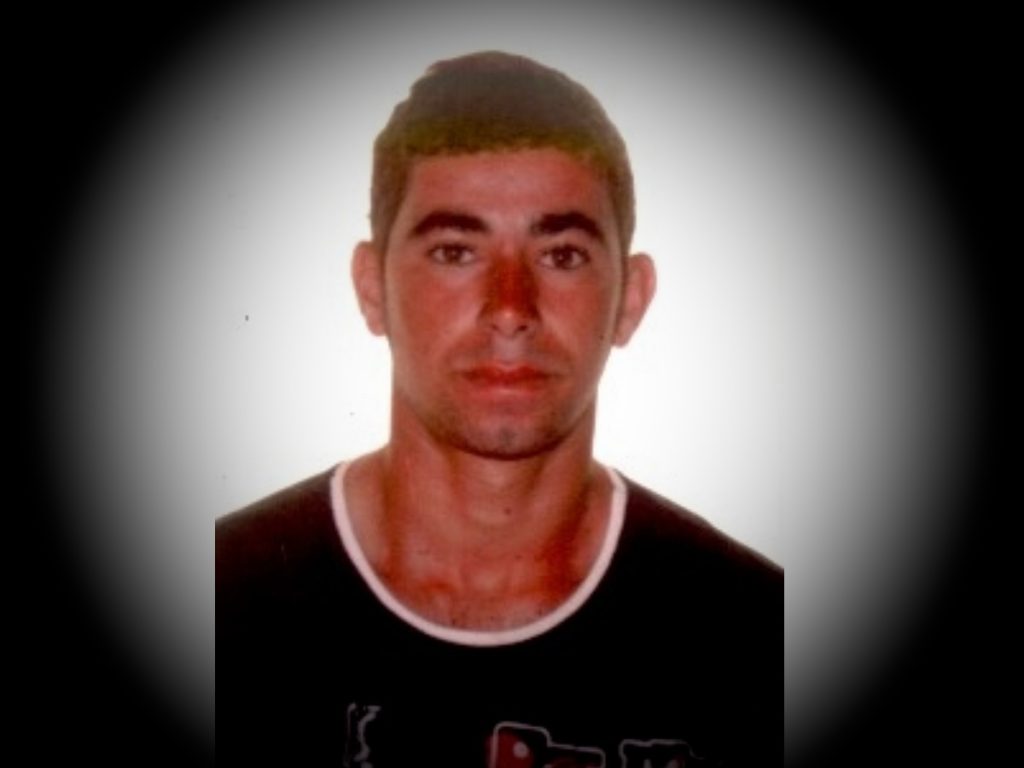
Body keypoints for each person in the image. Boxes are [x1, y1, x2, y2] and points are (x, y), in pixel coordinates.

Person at [216, 51, 782, 767]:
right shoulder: (224, 602)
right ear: (371, 288)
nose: (510, 307)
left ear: (630, 300)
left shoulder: (760, 639)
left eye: (562, 255)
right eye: (456, 251)